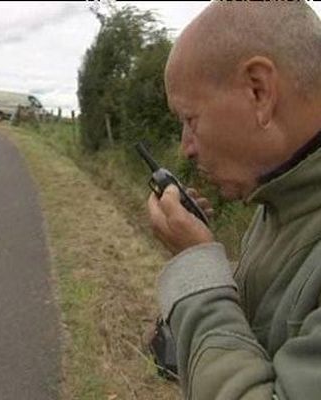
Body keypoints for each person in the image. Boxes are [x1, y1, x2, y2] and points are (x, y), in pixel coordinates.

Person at [146, 2, 321, 399]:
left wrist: (197, 270)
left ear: (259, 90)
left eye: (190, 120)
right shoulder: (281, 198)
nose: (185, 148)